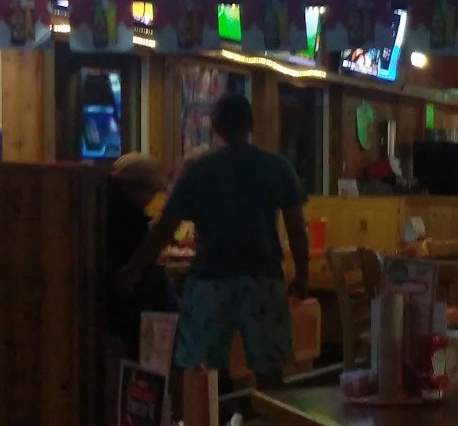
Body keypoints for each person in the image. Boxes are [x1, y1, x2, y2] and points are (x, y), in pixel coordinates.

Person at [119, 94, 310, 391]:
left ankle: (206, 420)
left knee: (201, 370)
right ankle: (269, 419)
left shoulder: (198, 169)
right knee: (269, 370)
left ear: (215, 127)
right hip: (263, 278)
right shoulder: (277, 167)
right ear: (251, 125)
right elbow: (297, 228)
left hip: (209, 281)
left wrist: (134, 268)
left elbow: (165, 227)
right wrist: (302, 274)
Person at [105, 153, 174, 347]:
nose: (151, 198)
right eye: (151, 191)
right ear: (134, 187)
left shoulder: (102, 206)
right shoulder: (130, 219)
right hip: (126, 305)